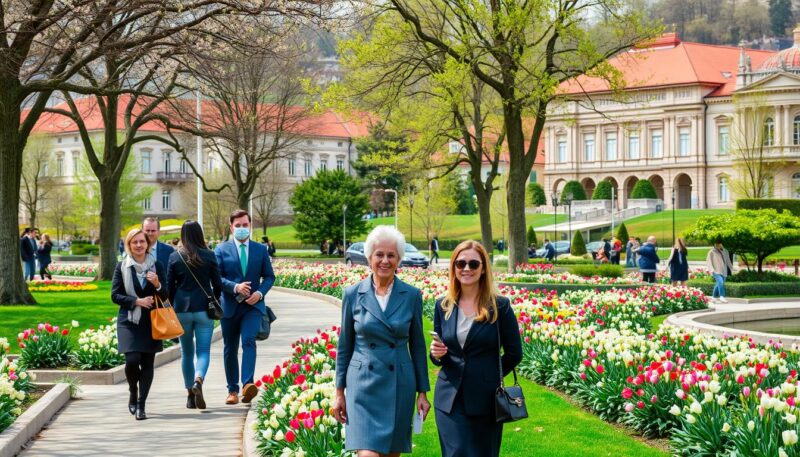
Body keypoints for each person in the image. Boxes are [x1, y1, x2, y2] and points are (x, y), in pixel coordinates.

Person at [333, 225, 431, 456]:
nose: (385, 260)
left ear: (399, 259)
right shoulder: (352, 294)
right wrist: (339, 393)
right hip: (362, 388)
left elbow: (417, 346)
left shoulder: (412, 295)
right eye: (379, 254)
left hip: (399, 384)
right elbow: (344, 346)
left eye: (391, 255)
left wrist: (423, 392)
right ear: (369, 258)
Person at [430, 240, 522, 457]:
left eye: (473, 264)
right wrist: (435, 354)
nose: (466, 269)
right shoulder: (443, 306)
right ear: (453, 267)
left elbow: (514, 353)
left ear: (483, 269)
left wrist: (489, 375)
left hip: (486, 399)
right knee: (456, 453)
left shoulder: (500, 306)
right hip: (449, 399)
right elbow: (439, 355)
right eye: (460, 263)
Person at [215, 209, 275, 405]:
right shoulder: (221, 250)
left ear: (250, 226)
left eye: (245, 225)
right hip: (230, 306)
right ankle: (232, 390)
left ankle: (248, 385)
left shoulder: (260, 250)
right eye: (238, 225)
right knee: (230, 348)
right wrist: (235, 287)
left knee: (249, 340)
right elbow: (217, 279)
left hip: (253, 306)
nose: (242, 228)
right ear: (231, 227)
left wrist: (259, 293)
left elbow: (269, 276)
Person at [111, 228, 168, 420]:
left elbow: (166, 294)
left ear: (147, 244)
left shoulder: (157, 265)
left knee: (148, 363)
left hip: (152, 321)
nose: (138, 245)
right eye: (134, 242)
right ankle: (132, 391)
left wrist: (158, 284)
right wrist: (136, 301)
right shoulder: (122, 267)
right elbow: (115, 295)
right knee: (132, 360)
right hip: (129, 320)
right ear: (129, 245)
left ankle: (141, 404)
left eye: (141, 242)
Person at [167, 220, 222, 410]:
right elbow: (218, 284)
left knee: (186, 353)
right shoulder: (209, 255)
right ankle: (199, 379)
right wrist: (215, 298)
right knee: (204, 351)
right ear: (200, 234)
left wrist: (173, 308)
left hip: (182, 310)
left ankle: (190, 394)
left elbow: (169, 288)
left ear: (183, 235)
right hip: (203, 310)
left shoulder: (175, 257)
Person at [706, 238, 734, 303]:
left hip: (724, 271)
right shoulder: (712, 252)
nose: (718, 245)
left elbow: (728, 261)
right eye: (717, 244)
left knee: (718, 283)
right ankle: (722, 296)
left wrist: (732, 268)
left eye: (719, 244)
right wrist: (711, 270)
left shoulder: (725, 251)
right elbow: (709, 261)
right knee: (720, 282)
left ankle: (713, 297)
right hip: (715, 271)